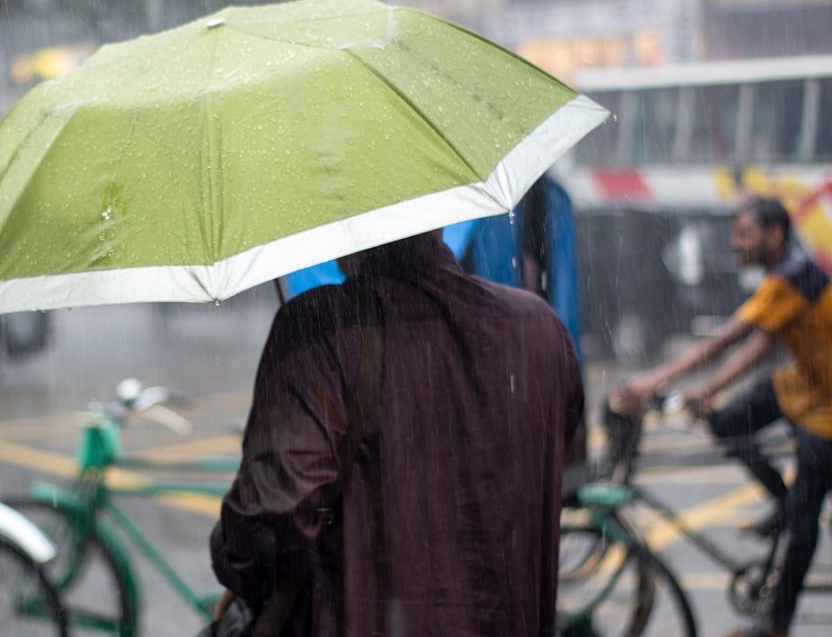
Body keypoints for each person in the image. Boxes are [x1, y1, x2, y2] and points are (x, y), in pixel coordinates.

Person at [209, 230, 585, 636]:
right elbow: (562, 467)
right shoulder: (539, 328)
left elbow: (273, 519)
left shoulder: (322, 333)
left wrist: (236, 562)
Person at [613, 196, 832, 637]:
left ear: (775, 235)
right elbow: (761, 344)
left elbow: (724, 342)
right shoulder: (790, 273)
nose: (735, 244)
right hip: (803, 387)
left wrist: (647, 384)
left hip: (827, 410)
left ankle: (775, 622)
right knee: (725, 421)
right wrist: (711, 391)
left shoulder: (789, 281)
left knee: (806, 521)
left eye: (744, 234)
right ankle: (782, 503)